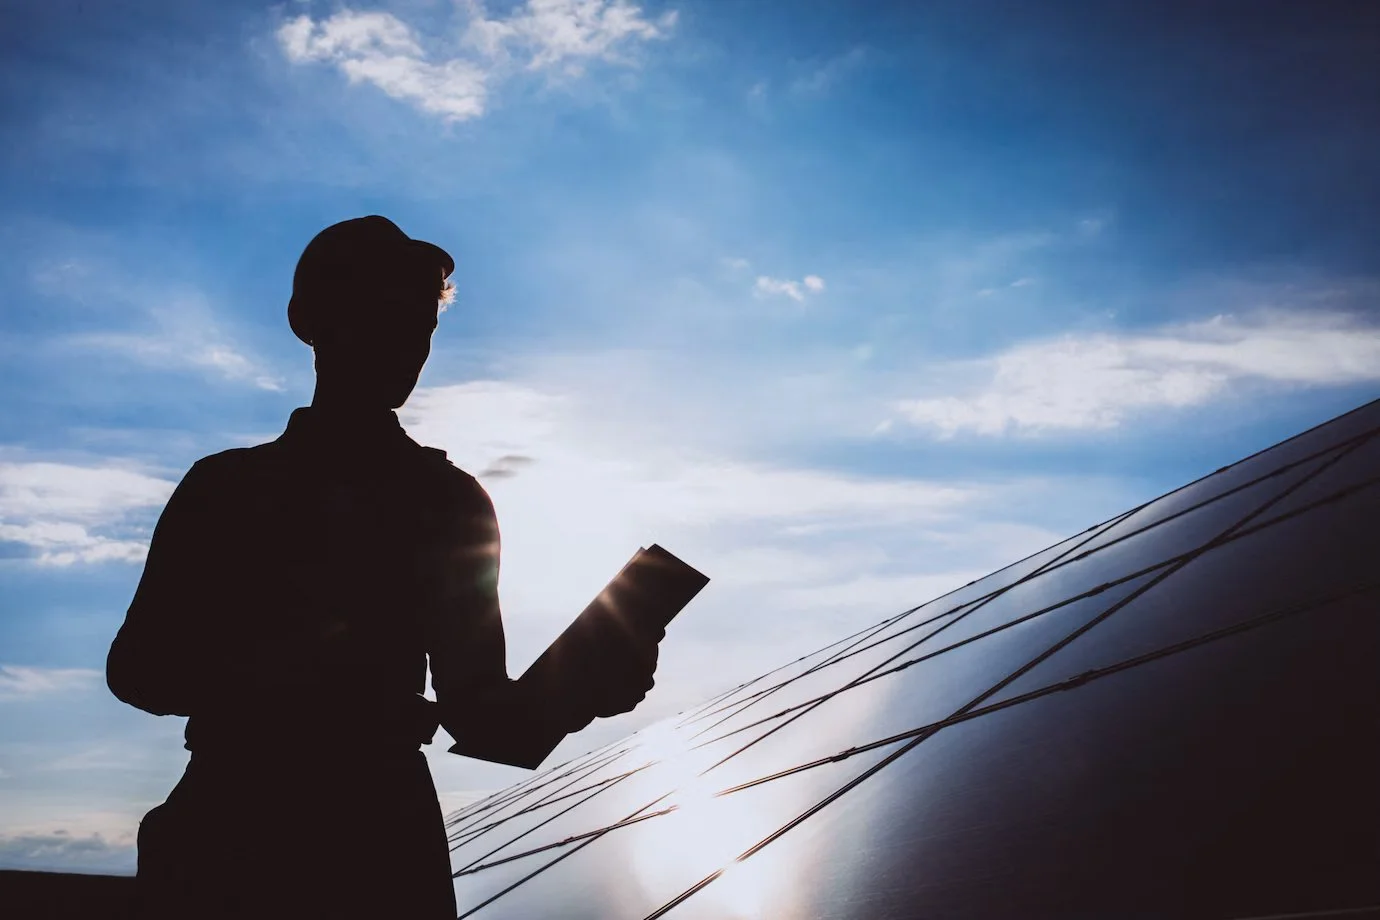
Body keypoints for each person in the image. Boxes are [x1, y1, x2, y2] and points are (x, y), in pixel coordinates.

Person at [106, 216, 662, 919]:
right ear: (312, 323)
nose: (409, 347)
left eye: (422, 327)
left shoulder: (444, 500)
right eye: (384, 318)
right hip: (260, 840)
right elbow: (136, 670)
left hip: (360, 845)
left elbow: (487, 722)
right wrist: (306, 685)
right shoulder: (228, 489)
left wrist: (586, 685)